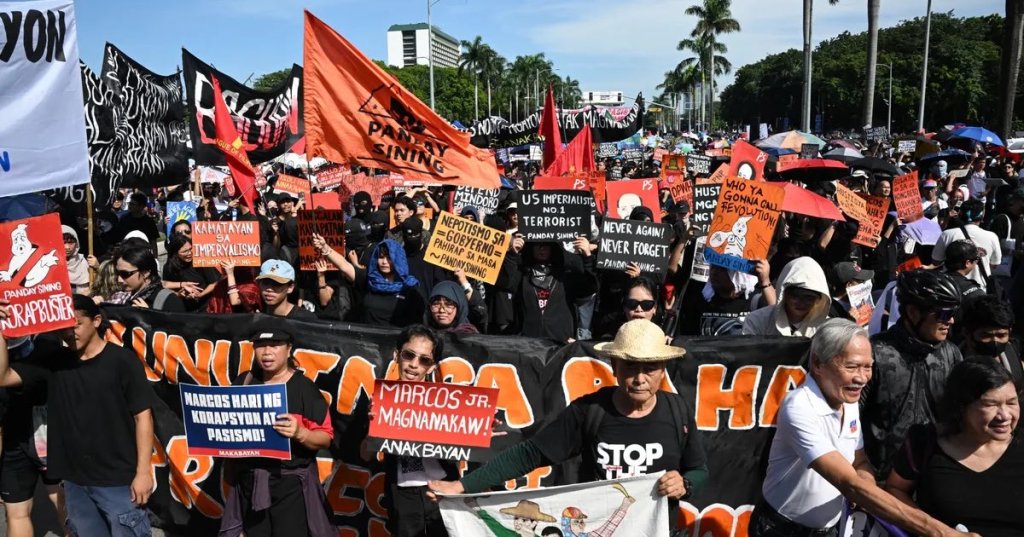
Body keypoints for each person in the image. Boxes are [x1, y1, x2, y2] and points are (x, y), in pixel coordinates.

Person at [428, 320, 708, 535]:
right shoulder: (591, 410)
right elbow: (530, 454)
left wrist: (685, 484)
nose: (639, 378)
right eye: (630, 367)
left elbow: (699, 470)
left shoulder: (677, 411)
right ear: (614, 366)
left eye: (650, 368)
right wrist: (462, 485)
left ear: (663, 369)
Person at [751, 319, 977, 537]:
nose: (862, 378)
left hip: (831, 528)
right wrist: (940, 532)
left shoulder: (847, 399)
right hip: (780, 529)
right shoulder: (799, 407)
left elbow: (859, 462)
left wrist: (866, 486)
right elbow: (849, 484)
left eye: (868, 367)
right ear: (818, 364)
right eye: (852, 367)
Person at [0, 295, 155, 537]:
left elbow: (143, 417)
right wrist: (1, 331)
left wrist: (143, 472)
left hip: (118, 480)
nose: (69, 333)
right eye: (63, 327)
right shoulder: (55, 363)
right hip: (74, 481)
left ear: (96, 321)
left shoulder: (122, 360)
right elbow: (4, 377)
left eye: (76, 324)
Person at [886, 359, 1023, 536]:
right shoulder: (924, 441)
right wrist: (932, 529)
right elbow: (895, 490)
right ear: (961, 407)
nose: (1005, 415)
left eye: (1011, 403)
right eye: (990, 404)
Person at [220, 326, 334, 537]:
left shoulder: (305, 388)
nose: (267, 352)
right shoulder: (243, 382)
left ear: (289, 349)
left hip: (290, 488)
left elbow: (325, 437)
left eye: (275, 345)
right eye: (261, 345)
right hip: (250, 484)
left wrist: (301, 433)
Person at [352, 325, 459, 537]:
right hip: (402, 493)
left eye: (424, 360)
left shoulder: (448, 401)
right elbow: (366, 454)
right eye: (409, 355)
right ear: (396, 355)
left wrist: (481, 431)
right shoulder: (379, 400)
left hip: (444, 487)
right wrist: (374, 426)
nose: (414, 365)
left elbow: (466, 446)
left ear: (431, 367)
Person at [862, 269, 964, 478]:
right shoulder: (873, 353)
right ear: (913, 312)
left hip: (933, 474)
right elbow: (848, 420)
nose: (951, 321)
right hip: (880, 478)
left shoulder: (951, 353)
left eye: (954, 313)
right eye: (944, 314)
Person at [0, 335, 66, 537]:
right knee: (63, 504)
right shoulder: (46, 349)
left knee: (60, 505)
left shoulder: (43, 350)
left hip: (38, 440)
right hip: (34, 439)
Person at [316, 235, 426, 327]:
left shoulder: (408, 288)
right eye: (381, 257)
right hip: (367, 341)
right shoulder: (370, 279)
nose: (384, 262)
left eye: (389, 258)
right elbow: (344, 266)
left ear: (398, 260)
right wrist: (325, 248)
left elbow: (416, 325)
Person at [743, 257, 831, 337]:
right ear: (783, 293)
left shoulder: (827, 327)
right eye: (796, 296)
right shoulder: (757, 320)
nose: (802, 303)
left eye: (809, 298)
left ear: (819, 299)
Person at [931, 198, 1001, 292]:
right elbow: (995, 264)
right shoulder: (992, 237)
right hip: (979, 290)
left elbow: (936, 261)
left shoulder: (947, 234)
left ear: (960, 214)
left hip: (951, 289)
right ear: (982, 216)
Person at [959, 295, 1024, 385]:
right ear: (967, 333)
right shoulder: (951, 362)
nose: (995, 341)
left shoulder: (1012, 353)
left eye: (1001, 335)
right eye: (986, 335)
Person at [162, 232, 221, 312]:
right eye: (184, 251)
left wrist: (200, 294)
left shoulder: (200, 260)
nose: (189, 253)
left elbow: (214, 283)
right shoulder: (169, 268)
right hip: (184, 309)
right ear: (175, 253)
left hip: (207, 306)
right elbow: (165, 287)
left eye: (190, 249)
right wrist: (179, 294)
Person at [116, 246, 185, 312]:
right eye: (117, 273)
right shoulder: (124, 297)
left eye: (125, 274)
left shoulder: (169, 300)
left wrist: (149, 315)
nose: (119, 280)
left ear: (146, 273)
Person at [253, 259, 318, 320]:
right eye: (265, 283)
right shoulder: (255, 317)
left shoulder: (305, 319)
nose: (269, 289)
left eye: (276, 284)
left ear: (290, 288)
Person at [62, 225, 90, 295]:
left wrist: (96, 267)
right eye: (63, 243)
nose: (67, 247)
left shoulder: (82, 261)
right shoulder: (50, 263)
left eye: (71, 243)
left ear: (76, 243)